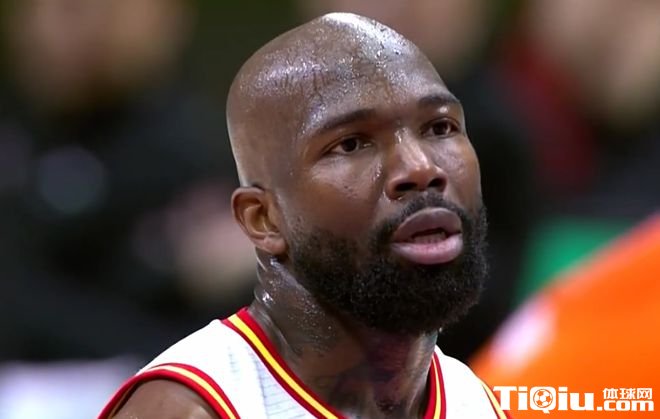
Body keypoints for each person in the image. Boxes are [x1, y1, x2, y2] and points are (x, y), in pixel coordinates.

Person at [99, 13, 508, 419]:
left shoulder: (476, 401)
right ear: (262, 219)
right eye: (351, 144)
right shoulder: (188, 408)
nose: (420, 168)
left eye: (439, 127)